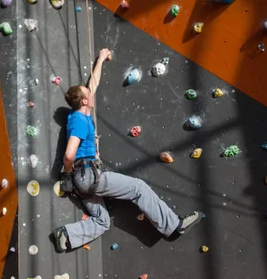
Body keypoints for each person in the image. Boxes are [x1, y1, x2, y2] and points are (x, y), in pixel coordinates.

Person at [53, 48, 204, 252]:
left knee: (102, 221)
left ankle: (66, 236)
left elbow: (93, 83)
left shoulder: (79, 114)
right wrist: (68, 174)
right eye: (87, 92)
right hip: (87, 175)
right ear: (85, 101)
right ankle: (173, 225)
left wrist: (101, 59)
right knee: (138, 188)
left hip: (83, 181)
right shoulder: (80, 121)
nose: (90, 91)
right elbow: (69, 154)